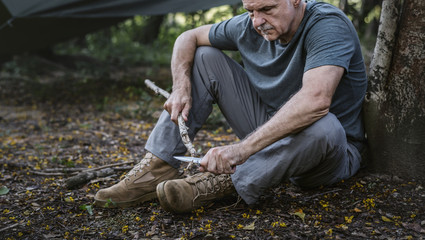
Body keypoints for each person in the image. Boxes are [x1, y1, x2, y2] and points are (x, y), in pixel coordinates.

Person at [94, 0, 367, 213]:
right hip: (270, 131)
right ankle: (157, 167)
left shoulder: (327, 24)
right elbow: (187, 37)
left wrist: (241, 150)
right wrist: (180, 87)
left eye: (267, 9)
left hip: (328, 152)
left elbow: (316, 100)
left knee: (324, 123)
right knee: (204, 57)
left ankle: (227, 181)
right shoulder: (249, 26)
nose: (258, 21)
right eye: (250, 10)